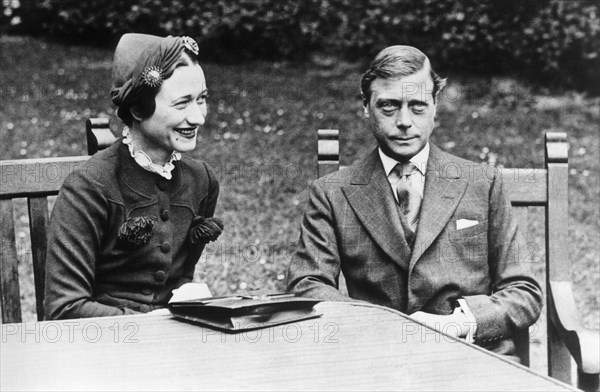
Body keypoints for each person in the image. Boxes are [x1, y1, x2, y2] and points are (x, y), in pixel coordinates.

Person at [286, 45, 542, 357]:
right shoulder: (333, 192)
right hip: (376, 357)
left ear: (436, 106)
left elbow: (523, 292)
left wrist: (459, 323)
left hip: (473, 357)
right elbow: (306, 285)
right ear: (365, 106)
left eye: (418, 106)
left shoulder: (482, 184)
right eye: (388, 106)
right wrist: (382, 326)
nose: (404, 121)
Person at [44, 33, 223, 319]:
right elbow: (64, 308)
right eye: (182, 103)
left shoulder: (202, 181)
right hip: (102, 348)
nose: (199, 117)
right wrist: (147, 325)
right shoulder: (89, 188)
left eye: (201, 99)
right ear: (138, 107)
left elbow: (182, 281)